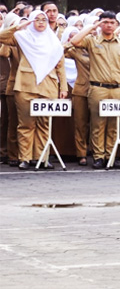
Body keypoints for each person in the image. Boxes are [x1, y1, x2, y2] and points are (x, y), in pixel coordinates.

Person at [0, 10, 67, 170]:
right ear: (31, 21)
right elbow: (1, 36)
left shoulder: (53, 42)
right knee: (26, 124)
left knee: (44, 124)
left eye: (43, 19)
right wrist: (19, 26)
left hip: (48, 86)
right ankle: (25, 158)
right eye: (36, 19)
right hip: (25, 86)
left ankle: (42, 157)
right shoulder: (22, 38)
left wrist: (63, 87)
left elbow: (60, 66)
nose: (41, 22)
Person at [71, 11, 120, 169]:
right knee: (98, 124)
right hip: (98, 87)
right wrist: (94, 26)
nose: (109, 25)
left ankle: (110, 155)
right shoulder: (92, 41)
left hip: (118, 88)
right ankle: (98, 156)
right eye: (105, 22)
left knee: (114, 124)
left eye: (112, 23)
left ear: (116, 25)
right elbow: (75, 41)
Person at [62, 25, 91, 166]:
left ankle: (99, 154)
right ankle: (81, 153)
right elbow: (61, 51)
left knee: (99, 124)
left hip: (98, 89)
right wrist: (71, 41)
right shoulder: (75, 51)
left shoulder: (95, 47)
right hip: (81, 89)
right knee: (80, 123)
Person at [0, 12, 20, 166]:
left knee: (19, 122)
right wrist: (12, 30)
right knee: (7, 122)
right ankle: (6, 152)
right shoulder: (7, 42)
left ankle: (18, 152)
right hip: (8, 85)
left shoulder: (24, 43)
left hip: (21, 86)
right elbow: (4, 53)